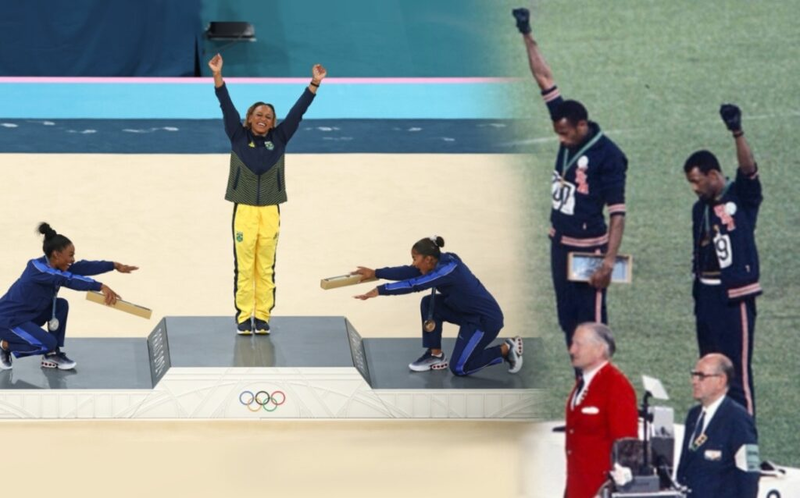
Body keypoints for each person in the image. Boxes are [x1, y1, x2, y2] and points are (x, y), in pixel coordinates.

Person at [512, 8, 628, 347]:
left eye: (565, 134)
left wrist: (608, 262)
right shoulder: (565, 120)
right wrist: (526, 33)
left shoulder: (609, 156)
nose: (561, 140)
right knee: (567, 322)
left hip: (589, 249)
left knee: (591, 325)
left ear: (581, 125)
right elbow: (544, 77)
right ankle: (579, 377)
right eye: (557, 134)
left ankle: (598, 380)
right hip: (560, 244)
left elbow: (618, 213)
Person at [208, 53, 327, 335]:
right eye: (259, 115)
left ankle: (262, 316)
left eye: (268, 117)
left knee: (265, 266)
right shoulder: (237, 136)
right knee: (244, 266)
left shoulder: (280, 138)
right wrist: (217, 76)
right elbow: (226, 106)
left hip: (271, 210)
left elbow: (298, 112)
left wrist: (314, 83)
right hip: (244, 210)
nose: (263, 119)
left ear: (273, 123)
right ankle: (243, 316)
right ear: (249, 118)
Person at [684, 104, 761, 417]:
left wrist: (737, 132)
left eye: (697, 181)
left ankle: (747, 440)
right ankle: (717, 433)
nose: (694, 188)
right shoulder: (699, 209)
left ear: (714, 175)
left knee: (736, 373)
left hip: (734, 295)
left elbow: (749, 170)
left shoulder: (740, 197)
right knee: (709, 369)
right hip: (706, 295)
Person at [351, 236, 523, 376]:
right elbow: (409, 272)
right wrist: (375, 273)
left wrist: (380, 290)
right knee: (429, 303)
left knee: (460, 368)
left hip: (484, 321)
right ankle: (436, 355)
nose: (413, 263)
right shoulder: (436, 262)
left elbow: (414, 284)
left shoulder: (447, 270)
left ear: (428, 259)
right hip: (464, 312)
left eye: (415, 258)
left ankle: (506, 349)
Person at [0, 223, 137, 370]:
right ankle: (5, 346)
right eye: (70, 255)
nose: (73, 259)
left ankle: (51, 355)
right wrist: (101, 286)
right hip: (9, 320)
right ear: (56, 255)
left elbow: (83, 267)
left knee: (61, 305)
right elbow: (67, 279)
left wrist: (114, 265)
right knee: (47, 343)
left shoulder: (58, 265)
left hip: (28, 315)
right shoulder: (37, 268)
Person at [565, 322, 638, 498]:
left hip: (601, 490)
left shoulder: (617, 386)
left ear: (599, 350)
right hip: (577, 488)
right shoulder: (583, 383)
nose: (572, 350)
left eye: (578, 344)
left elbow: (625, 446)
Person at [676, 353, 760, 497]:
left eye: (701, 376)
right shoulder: (693, 415)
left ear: (721, 381)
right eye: (694, 375)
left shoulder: (738, 419)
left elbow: (748, 477)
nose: (694, 381)